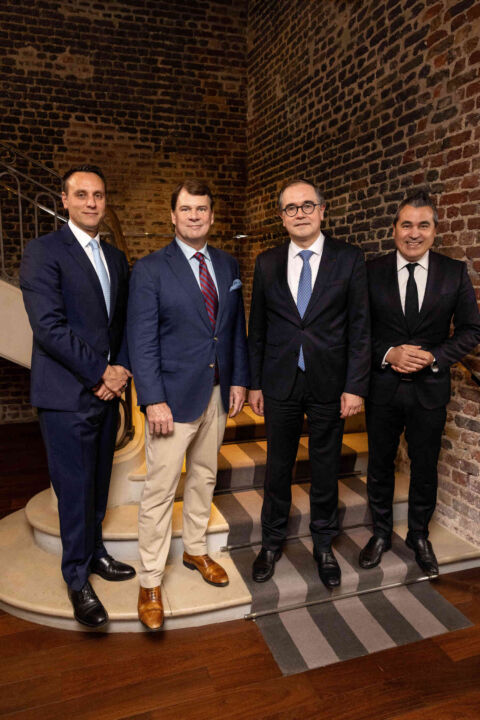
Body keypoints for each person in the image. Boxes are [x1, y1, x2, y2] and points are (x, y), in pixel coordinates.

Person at [127, 178, 249, 631]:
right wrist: (152, 399)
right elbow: (141, 340)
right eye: (186, 209)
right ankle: (150, 580)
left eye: (201, 209)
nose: (194, 216)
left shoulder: (227, 263)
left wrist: (239, 379)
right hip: (171, 400)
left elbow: (234, 330)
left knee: (204, 476)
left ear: (212, 217)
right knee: (160, 490)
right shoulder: (150, 269)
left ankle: (195, 550)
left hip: (216, 392)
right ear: (173, 216)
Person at [20, 165, 135, 628]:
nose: (91, 202)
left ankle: (96, 552)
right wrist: (100, 372)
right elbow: (49, 328)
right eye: (82, 194)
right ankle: (76, 578)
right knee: (73, 489)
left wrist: (119, 371)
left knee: (99, 481)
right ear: (64, 200)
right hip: (67, 395)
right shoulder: (43, 251)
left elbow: (122, 323)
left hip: (108, 393)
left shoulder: (116, 258)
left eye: (99, 195)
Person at [248, 179, 370, 588]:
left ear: (322, 210)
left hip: (330, 383)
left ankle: (323, 544)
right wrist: (254, 384)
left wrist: (355, 386)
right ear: (281, 217)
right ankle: (271, 543)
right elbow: (257, 329)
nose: (299, 213)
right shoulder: (266, 263)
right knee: (277, 467)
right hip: (279, 381)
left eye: (306, 205)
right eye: (290, 208)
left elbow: (360, 328)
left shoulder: (349, 259)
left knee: (325, 465)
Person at [359, 190, 480, 576]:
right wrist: (389, 353)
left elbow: (471, 329)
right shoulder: (370, 272)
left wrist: (435, 357)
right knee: (380, 464)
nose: (414, 233)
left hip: (430, 388)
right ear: (394, 229)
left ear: (434, 231)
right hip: (382, 387)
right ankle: (380, 533)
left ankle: (418, 535)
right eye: (407, 225)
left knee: (425, 466)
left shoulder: (453, 272)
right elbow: (357, 330)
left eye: (423, 225)